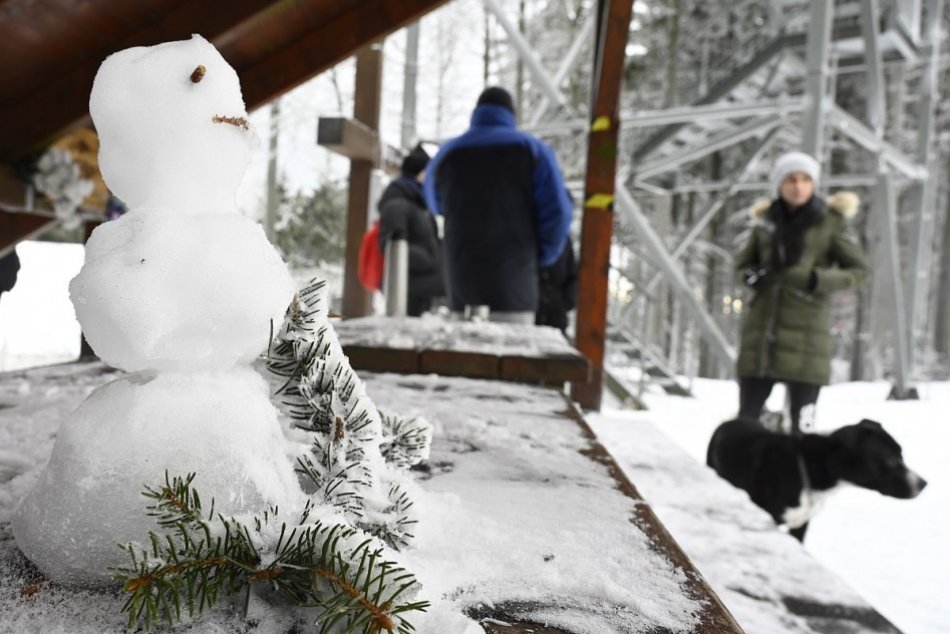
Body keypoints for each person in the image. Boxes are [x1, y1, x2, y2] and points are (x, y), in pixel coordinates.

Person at [735, 151, 870, 434]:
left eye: (806, 179)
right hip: (762, 336)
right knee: (745, 424)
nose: (798, 186)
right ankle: (742, 478)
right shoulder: (765, 221)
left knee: (803, 430)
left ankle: (797, 477)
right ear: (779, 185)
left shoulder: (831, 222)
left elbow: (858, 270)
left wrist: (815, 279)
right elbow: (742, 264)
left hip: (807, 338)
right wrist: (751, 275)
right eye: (791, 179)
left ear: (813, 184)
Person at [424, 86, 573, 324]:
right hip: (515, 288)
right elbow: (559, 212)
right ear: (511, 114)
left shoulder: (447, 153)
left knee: (461, 357)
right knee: (513, 357)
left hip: (462, 287)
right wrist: (541, 257)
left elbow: (434, 204)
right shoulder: (534, 150)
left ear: (477, 113)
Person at [377, 143, 444, 316]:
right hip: (406, 289)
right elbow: (390, 244)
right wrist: (430, 260)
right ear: (419, 173)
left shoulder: (419, 205)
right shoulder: (397, 203)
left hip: (421, 286)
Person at [536, 238, 577, 332]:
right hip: (530, 315)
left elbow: (572, 276)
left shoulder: (564, 240)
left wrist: (566, 303)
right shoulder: (527, 234)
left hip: (557, 317)